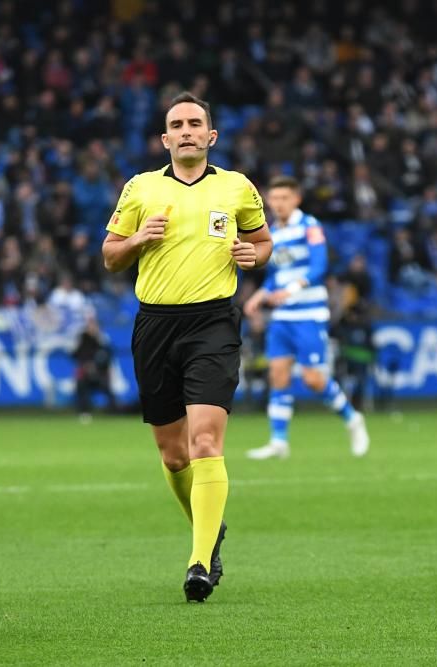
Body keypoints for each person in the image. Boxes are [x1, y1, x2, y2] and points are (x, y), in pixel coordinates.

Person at [101, 92, 273, 603]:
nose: (187, 131)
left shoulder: (238, 188)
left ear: (211, 135)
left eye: (196, 123)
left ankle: (200, 563)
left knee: (205, 442)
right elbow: (110, 256)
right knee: (174, 456)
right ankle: (208, 526)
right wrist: (136, 241)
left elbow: (263, 242)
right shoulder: (141, 189)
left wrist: (253, 255)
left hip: (213, 324)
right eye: (177, 124)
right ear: (165, 139)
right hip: (155, 324)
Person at [243, 175, 370, 460]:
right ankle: (279, 441)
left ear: (296, 199)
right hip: (283, 315)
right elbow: (276, 275)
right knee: (278, 375)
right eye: (274, 198)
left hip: (308, 313)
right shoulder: (273, 231)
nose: (278, 203)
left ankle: (352, 418)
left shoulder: (309, 226)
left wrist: (290, 290)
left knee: (313, 379)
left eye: (284, 198)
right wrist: (260, 295)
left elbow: (319, 266)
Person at [72, 314, 118, 422]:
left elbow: (107, 357)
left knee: (107, 388)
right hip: (86, 375)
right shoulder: (82, 340)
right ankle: (84, 412)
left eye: (94, 326)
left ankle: (113, 411)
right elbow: (75, 355)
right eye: (90, 326)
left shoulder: (102, 340)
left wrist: (96, 366)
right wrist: (87, 366)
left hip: (99, 374)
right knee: (81, 386)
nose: (92, 328)